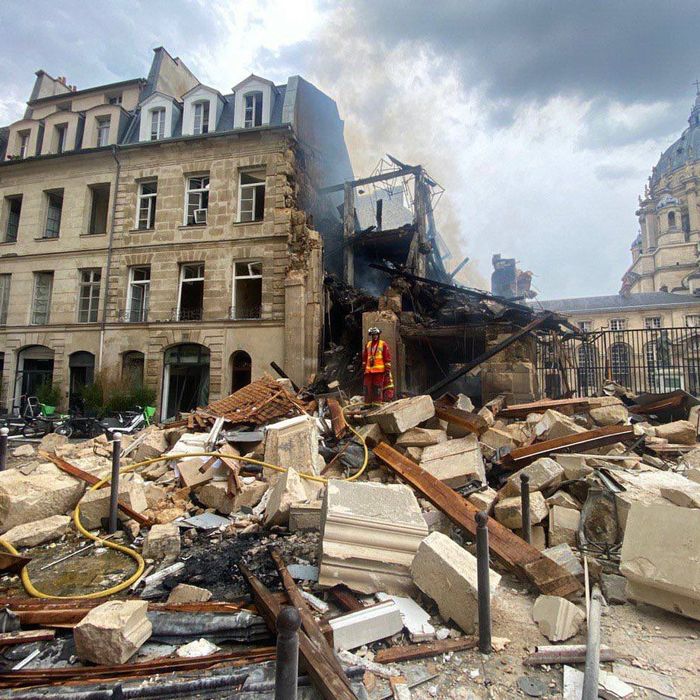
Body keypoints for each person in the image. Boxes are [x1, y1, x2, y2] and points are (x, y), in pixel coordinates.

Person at [363, 327, 391, 405]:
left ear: (378, 335)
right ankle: (367, 403)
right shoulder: (368, 344)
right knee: (367, 387)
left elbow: (387, 357)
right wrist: (364, 367)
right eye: (373, 335)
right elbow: (365, 357)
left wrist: (387, 368)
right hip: (369, 371)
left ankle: (377, 403)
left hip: (379, 371)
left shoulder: (383, 344)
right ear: (371, 336)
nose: (375, 336)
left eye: (376, 335)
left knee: (377, 387)